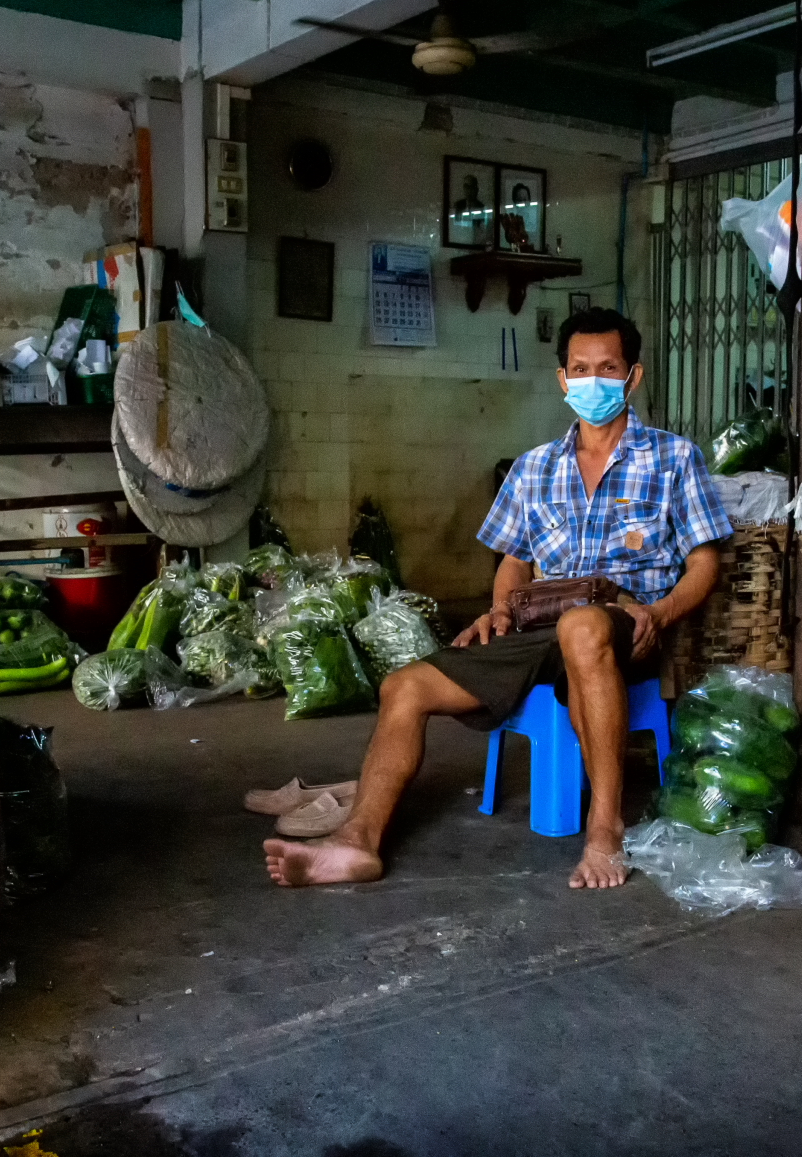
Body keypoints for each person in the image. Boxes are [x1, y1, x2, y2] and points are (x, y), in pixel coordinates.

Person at [264, 308, 729, 891]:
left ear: (632, 377)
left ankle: (604, 829)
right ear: (562, 380)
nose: (593, 382)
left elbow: (704, 563)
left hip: (622, 627)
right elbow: (513, 559)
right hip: (540, 628)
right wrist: (502, 611)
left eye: (607, 368)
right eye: (579, 370)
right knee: (403, 687)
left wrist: (658, 615)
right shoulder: (534, 468)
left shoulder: (674, 459)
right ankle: (358, 842)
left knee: (584, 626)